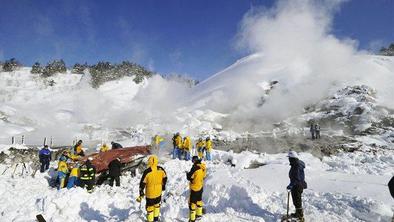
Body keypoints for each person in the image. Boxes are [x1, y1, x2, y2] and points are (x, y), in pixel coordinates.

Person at [137, 155, 167, 222]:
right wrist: (163, 185)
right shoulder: (161, 169)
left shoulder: (147, 171)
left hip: (150, 194)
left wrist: (141, 192)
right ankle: (156, 219)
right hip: (158, 192)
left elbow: (142, 183)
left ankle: (150, 220)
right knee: (157, 205)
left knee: (150, 208)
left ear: (149, 162)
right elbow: (165, 178)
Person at [286, 151, 307, 221]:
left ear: (292, 158)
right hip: (297, 185)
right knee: (296, 200)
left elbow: (296, 178)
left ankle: (300, 216)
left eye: (289, 158)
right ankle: (297, 213)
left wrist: (290, 185)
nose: (288, 159)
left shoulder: (296, 165)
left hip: (297, 186)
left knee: (297, 201)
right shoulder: (296, 164)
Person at [186, 156, 207, 222]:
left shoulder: (194, 168)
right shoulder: (203, 167)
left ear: (194, 160)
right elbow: (204, 176)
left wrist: (187, 174)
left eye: (192, 160)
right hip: (200, 186)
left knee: (192, 203)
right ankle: (199, 214)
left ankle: (192, 219)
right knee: (199, 201)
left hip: (194, 188)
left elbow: (189, 177)